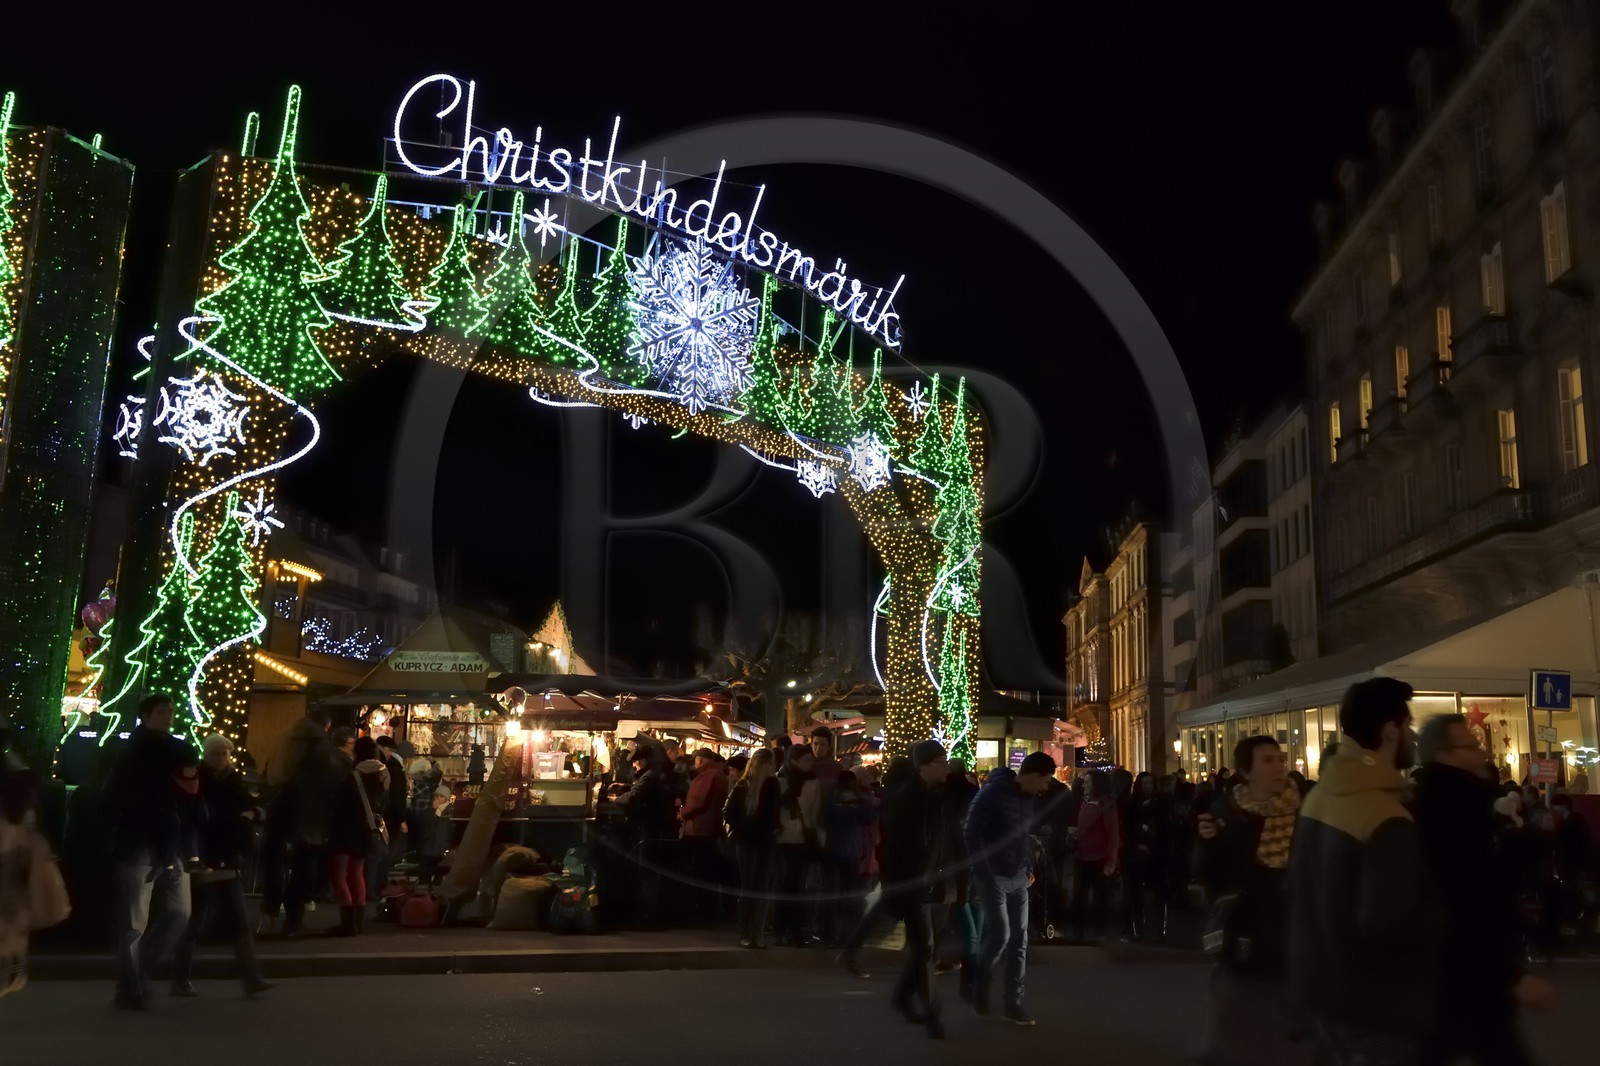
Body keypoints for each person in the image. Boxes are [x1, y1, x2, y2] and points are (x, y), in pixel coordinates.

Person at [1289, 677, 1438, 1064]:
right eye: (1408, 726)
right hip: (1380, 1006)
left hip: (1324, 994)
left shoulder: (1318, 797)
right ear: (1390, 730)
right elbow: (1390, 921)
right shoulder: (1384, 815)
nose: (1412, 735)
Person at [1412, 714, 1552, 1066]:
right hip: (1467, 973)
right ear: (1445, 754)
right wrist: (1509, 975)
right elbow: (1468, 899)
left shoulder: (1467, 803)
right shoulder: (1451, 811)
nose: (1481, 752)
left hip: (1457, 974)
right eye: (1470, 746)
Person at [1195, 735, 1310, 1066]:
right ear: (1246, 771)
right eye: (1267, 761)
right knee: (1243, 1031)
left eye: (1280, 759)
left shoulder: (1305, 811)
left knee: (1289, 1034)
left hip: (1292, 932)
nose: (1278, 767)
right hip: (1244, 934)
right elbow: (1211, 878)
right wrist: (1208, 844)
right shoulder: (1227, 814)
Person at [103, 694, 198, 1009]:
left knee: (178, 912)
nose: (169, 715)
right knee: (136, 921)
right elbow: (117, 797)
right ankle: (132, 984)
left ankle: (136, 975)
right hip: (144, 842)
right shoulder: (135, 753)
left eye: (170, 711)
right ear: (146, 714)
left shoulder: (166, 750)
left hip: (167, 841)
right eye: (162, 711)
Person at [172, 735, 274, 997]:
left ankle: (251, 976)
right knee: (194, 920)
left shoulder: (232, 780)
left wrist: (252, 815)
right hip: (205, 858)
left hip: (226, 857)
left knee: (237, 920)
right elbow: (194, 818)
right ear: (206, 755)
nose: (220, 759)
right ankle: (181, 978)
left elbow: (254, 807)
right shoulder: (200, 780)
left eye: (224, 754)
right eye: (216, 754)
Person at [964, 750, 1056, 1026]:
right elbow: (971, 832)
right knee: (1002, 936)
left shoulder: (1024, 797)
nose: (1045, 786)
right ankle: (981, 985)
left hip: (1016, 874)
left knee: (1018, 940)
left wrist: (1027, 867)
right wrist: (984, 872)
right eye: (1044, 779)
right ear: (1032, 775)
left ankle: (1012, 1003)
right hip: (995, 875)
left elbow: (1022, 835)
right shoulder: (992, 793)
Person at [880, 739, 951, 1040]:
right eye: (940, 762)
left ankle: (902, 997)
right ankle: (932, 1013)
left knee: (923, 948)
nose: (946, 767)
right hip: (906, 883)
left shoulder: (937, 796)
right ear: (923, 766)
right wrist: (894, 887)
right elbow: (891, 847)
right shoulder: (904, 798)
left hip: (924, 880)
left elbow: (938, 839)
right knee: (923, 948)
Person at [260, 707, 343, 936]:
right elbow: (333, 779)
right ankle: (293, 920)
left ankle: (270, 911)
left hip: (278, 805)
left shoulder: (282, 738)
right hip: (307, 810)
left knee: (273, 859)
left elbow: (266, 771)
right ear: (326, 724)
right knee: (304, 864)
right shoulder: (321, 746)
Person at [324, 736, 388, 937]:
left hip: (347, 830)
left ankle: (347, 921)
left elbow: (341, 805)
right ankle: (358, 922)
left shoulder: (354, 776)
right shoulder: (383, 773)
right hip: (367, 829)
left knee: (339, 873)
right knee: (357, 872)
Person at [724, 749, 780, 948]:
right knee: (750, 887)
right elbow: (728, 812)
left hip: (762, 842)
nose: (773, 767)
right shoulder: (744, 786)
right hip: (750, 842)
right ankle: (747, 932)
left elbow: (774, 813)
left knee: (759, 888)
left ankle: (755, 933)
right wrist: (747, 827)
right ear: (764, 765)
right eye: (771, 763)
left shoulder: (772, 785)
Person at [773, 745, 823, 946]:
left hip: (802, 838)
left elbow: (816, 811)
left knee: (797, 885)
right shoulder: (779, 781)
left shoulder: (813, 782)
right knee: (784, 885)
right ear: (794, 761)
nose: (810, 764)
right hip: (782, 839)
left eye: (810, 761)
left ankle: (795, 929)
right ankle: (781, 928)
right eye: (806, 760)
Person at [678, 748, 730, 921]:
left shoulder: (707, 775)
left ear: (701, 759)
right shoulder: (718, 773)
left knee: (700, 870)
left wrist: (682, 812)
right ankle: (709, 909)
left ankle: (701, 910)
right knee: (708, 870)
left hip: (699, 829)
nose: (694, 762)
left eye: (695, 759)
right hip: (710, 828)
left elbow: (697, 801)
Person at [1070, 770, 1120, 942]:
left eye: (1087, 782)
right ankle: (1079, 932)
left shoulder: (1105, 806)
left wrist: (1110, 860)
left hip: (1099, 858)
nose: (1084, 785)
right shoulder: (1085, 803)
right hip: (1082, 855)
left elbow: (1113, 834)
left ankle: (1099, 932)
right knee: (1080, 897)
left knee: (1100, 897)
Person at [1124, 770, 1169, 942]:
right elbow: (1130, 827)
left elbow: (1166, 827)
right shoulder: (1133, 804)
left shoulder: (1161, 803)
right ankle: (1139, 927)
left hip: (1157, 852)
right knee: (1137, 893)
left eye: (1151, 783)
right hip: (1138, 852)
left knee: (1159, 893)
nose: (1148, 787)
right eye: (1145, 784)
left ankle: (1159, 929)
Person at [369, 736, 408, 902]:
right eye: (389, 750)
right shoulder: (392, 767)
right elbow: (398, 795)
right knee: (383, 854)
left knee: (377, 855)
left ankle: (374, 887)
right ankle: (377, 887)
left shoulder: (376, 767)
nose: (390, 754)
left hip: (379, 815)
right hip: (388, 818)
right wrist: (402, 819)